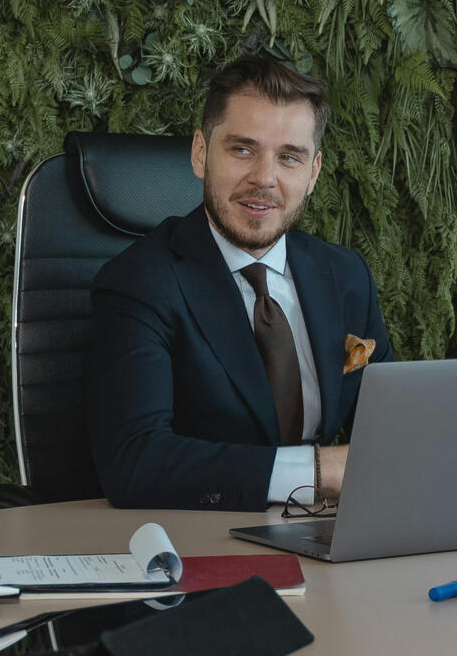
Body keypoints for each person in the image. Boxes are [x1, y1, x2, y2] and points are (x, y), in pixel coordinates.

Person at [87, 55, 393, 511]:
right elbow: (136, 462)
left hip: (327, 532)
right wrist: (318, 471)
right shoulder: (139, 283)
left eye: (289, 157)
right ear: (200, 153)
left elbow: (392, 431)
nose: (264, 179)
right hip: (198, 537)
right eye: (243, 150)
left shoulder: (348, 277)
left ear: (312, 174)